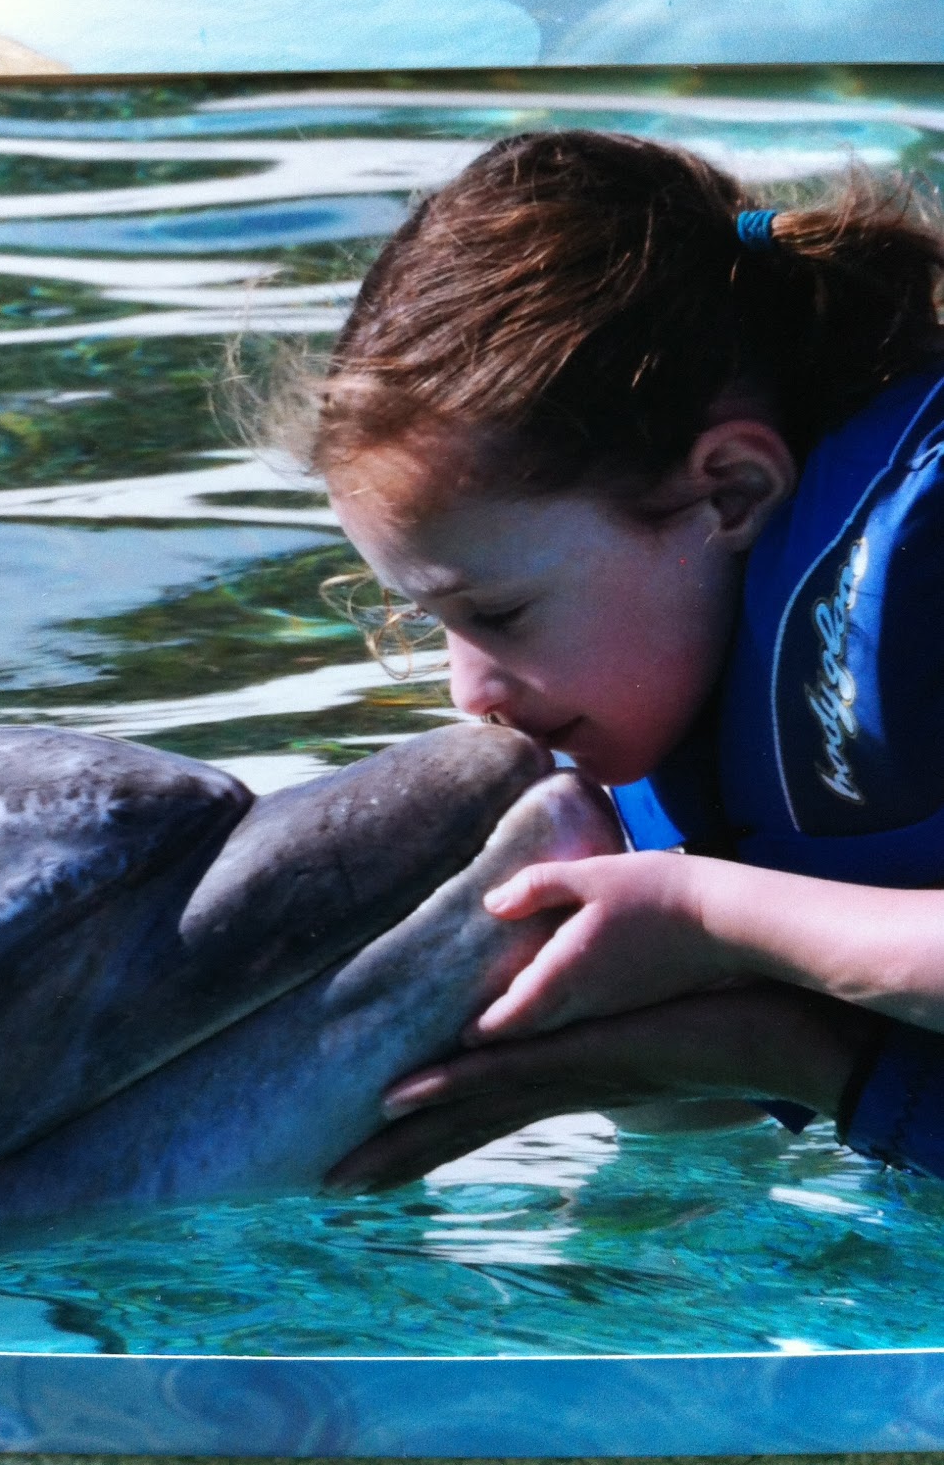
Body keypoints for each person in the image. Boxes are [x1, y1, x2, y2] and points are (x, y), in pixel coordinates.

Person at [246, 128, 944, 1193]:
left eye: (501, 611)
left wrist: (711, 918)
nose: (466, 692)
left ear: (730, 494)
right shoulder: (727, 717)